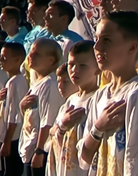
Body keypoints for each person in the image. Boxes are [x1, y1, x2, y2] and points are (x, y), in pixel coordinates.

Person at [79, 11, 138, 176]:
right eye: (96, 39)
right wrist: (98, 128)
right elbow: (84, 158)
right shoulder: (99, 96)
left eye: (106, 40)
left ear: (133, 47)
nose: (97, 46)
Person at [49, 41, 99, 176]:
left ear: (98, 68)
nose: (74, 70)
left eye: (82, 66)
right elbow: (53, 133)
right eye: (71, 65)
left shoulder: (98, 100)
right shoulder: (70, 100)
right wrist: (63, 125)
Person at [19, 39, 65, 176]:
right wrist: (22, 106)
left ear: (51, 60)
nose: (30, 56)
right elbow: (31, 116)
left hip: (38, 151)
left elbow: (48, 122)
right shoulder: (37, 84)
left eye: (37, 54)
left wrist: (39, 151)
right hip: (28, 149)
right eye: (31, 53)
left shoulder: (50, 85)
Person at [0, 42, 29, 176]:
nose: (0, 60)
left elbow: (14, 116)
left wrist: (7, 141)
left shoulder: (16, 82)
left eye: (4, 57)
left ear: (18, 60)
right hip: (11, 137)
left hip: (13, 138)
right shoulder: (12, 81)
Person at [45, 64, 79, 176]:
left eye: (65, 82)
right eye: (59, 82)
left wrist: (57, 129)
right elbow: (51, 133)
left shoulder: (78, 108)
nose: (60, 86)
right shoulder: (64, 106)